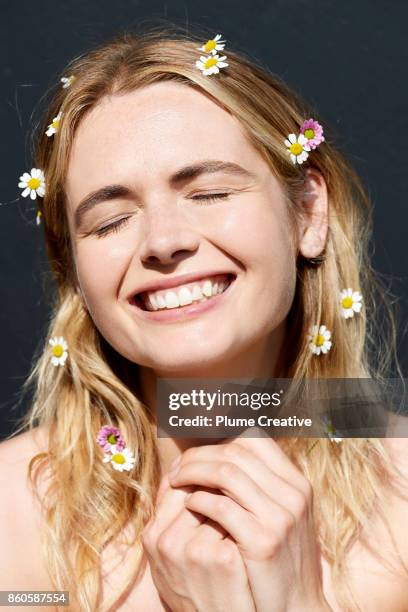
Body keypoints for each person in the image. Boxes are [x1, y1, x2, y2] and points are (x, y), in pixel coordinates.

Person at [0, 25, 407, 612]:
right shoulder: (17, 521)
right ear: (73, 271)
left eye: (210, 192)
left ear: (308, 214)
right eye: (110, 220)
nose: (163, 242)